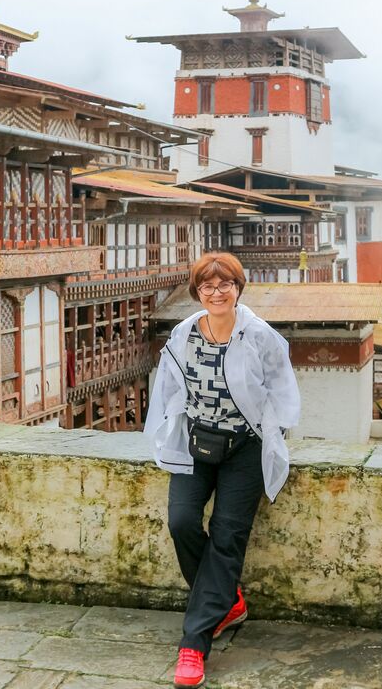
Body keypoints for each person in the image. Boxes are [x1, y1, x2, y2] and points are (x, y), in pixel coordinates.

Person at [144, 252, 300, 689]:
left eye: (225, 284)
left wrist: (274, 429)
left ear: (238, 288)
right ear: (197, 292)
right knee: (181, 521)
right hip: (197, 443)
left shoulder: (258, 336)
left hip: (245, 449)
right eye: (208, 286)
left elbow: (283, 388)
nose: (216, 292)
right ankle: (227, 602)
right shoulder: (184, 333)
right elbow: (170, 384)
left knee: (228, 536)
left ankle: (193, 644)